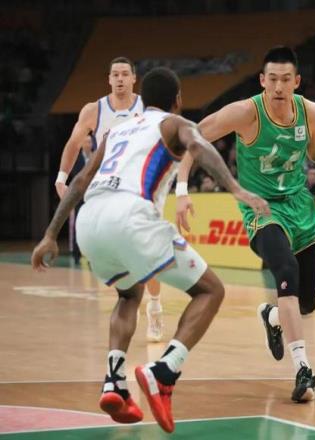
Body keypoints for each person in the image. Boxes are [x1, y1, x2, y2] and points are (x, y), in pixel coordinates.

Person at [31, 67, 270, 433]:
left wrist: (50, 234)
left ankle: (114, 381)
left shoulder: (116, 130)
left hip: (90, 220)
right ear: (178, 100)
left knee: (129, 294)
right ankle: (165, 371)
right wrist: (236, 189)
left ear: (142, 100)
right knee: (211, 290)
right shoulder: (173, 123)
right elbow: (199, 146)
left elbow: (80, 181)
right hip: (131, 215)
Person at [175, 46, 315, 402]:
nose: (278, 86)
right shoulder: (245, 112)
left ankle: (272, 316)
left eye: (285, 79)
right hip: (262, 210)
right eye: (272, 79)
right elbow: (193, 138)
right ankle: (303, 369)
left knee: (307, 302)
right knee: (286, 271)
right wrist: (181, 189)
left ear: (296, 82)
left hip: (300, 208)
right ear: (262, 80)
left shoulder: (310, 113)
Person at [54, 56, 165, 342]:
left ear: (134, 78)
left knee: (148, 252)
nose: (120, 79)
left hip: (142, 187)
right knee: (119, 250)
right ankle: (130, 297)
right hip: (106, 190)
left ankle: (154, 304)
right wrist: (62, 177)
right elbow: (73, 143)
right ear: (109, 79)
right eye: (115, 74)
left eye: (125, 74)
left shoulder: (147, 107)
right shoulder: (94, 110)